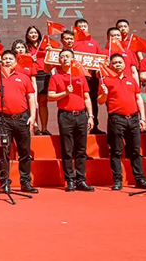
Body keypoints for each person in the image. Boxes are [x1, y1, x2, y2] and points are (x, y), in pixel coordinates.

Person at [97, 53, 146, 191]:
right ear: (110, 65)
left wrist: (142, 117)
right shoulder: (105, 80)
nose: (117, 65)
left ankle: (140, 179)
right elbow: (100, 101)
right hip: (116, 119)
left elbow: (138, 98)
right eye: (114, 63)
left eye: (120, 62)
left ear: (124, 64)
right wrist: (104, 93)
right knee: (116, 151)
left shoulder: (131, 79)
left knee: (135, 151)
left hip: (133, 119)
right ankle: (117, 180)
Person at [0, 50, 38, 194]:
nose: (7, 61)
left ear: (15, 62)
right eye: (5, 59)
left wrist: (32, 116)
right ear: (1, 62)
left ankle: (25, 182)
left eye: (10, 59)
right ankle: (4, 183)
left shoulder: (24, 77)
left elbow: (31, 97)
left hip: (22, 119)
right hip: (3, 120)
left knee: (25, 152)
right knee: (4, 151)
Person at [48, 49, 95, 192]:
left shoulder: (80, 76)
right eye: (62, 57)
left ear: (73, 59)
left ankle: (81, 180)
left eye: (67, 56)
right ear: (59, 60)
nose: (65, 59)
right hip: (65, 116)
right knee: (67, 149)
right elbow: (50, 96)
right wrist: (65, 93)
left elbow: (87, 97)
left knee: (81, 149)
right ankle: (69, 179)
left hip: (81, 115)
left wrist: (90, 115)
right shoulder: (55, 77)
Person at [73, 20, 104, 134]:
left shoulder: (94, 43)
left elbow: (100, 59)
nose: (82, 28)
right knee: (79, 101)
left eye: (84, 26)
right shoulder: (73, 43)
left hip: (92, 77)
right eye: (80, 27)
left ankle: (94, 125)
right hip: (78, 77)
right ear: (75, 29)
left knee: (93, 101)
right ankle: (79, 127)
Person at [25, 26, 51, 135]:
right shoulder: (25, 47)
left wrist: (50, 51)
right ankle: (36, 128)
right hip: (32, 76)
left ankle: (44, 128)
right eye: (31, 33)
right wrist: (29, 58)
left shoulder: (45, 45)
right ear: (27, 35)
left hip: (45, 74)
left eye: (35, 32)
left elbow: (51, 61)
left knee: (43, 102)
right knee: (34, 102)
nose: (33, 34)